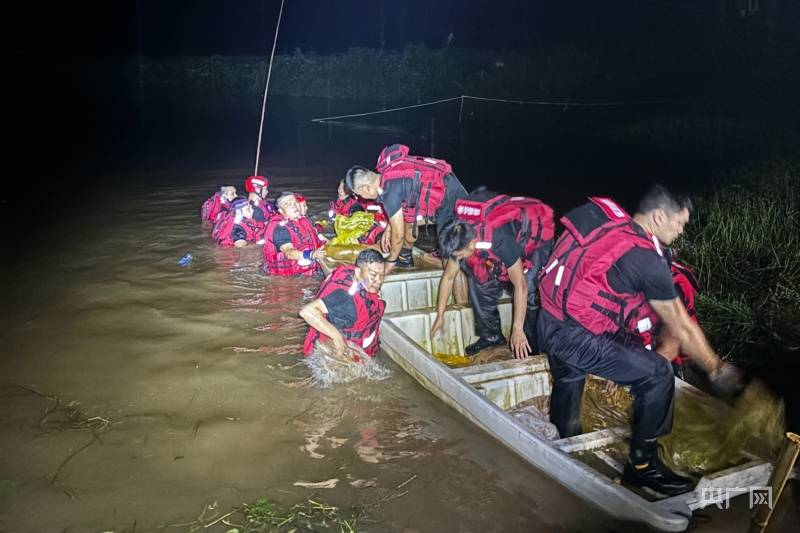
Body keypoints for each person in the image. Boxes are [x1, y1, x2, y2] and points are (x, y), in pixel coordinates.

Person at [537, 186, 744, 496]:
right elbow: (681, 327)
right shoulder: (647, 259)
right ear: (659, 216)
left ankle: (565, 439)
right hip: (575, 335)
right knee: (658, 374)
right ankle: (642, 467)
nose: (681, 230)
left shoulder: (605, 223)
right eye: (680, 223)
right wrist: (716, 368)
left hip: (550, 319)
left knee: (570, 378)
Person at [433, 190, 555, 358]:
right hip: (498, 240)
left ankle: (531, 345)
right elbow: (448, 278)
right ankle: (492, 336)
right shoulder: (459, 234)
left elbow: (521, 286)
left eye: (459, 255)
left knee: (530, 286)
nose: (457, 259)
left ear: (471, 245)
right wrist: (440, 314)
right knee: (477, 275)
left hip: (535, 239)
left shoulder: (499, 239)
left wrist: (517, 328)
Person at [346, 144, 467, 271]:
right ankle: (405, 259)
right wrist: (389, 228)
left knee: (451, 266)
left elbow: (398, 236)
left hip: (452, 201)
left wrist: (390, 262)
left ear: (367, 188)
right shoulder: (386, 176)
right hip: (445, 188)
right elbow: (400, 208)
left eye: (359, 195)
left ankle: (456, 275)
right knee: (407, 223)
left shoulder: (388, 192)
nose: (361, 198)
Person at [300, 249, 386, 360]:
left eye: (382, 274)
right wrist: (338, 338)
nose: (379, 280)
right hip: (330, 354)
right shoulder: (346, 299)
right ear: (358, 272)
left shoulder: (354, 278)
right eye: (373, 275)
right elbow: (306, 311)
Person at [262, 192, 326, 276]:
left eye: (295, 202)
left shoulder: (304, 221)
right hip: (288, 278)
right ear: (281, 211)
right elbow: (288, 252)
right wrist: (311, 254)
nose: (294, 206)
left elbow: (317, 244)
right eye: (288, 204)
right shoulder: (280, 227)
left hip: (309, 269)